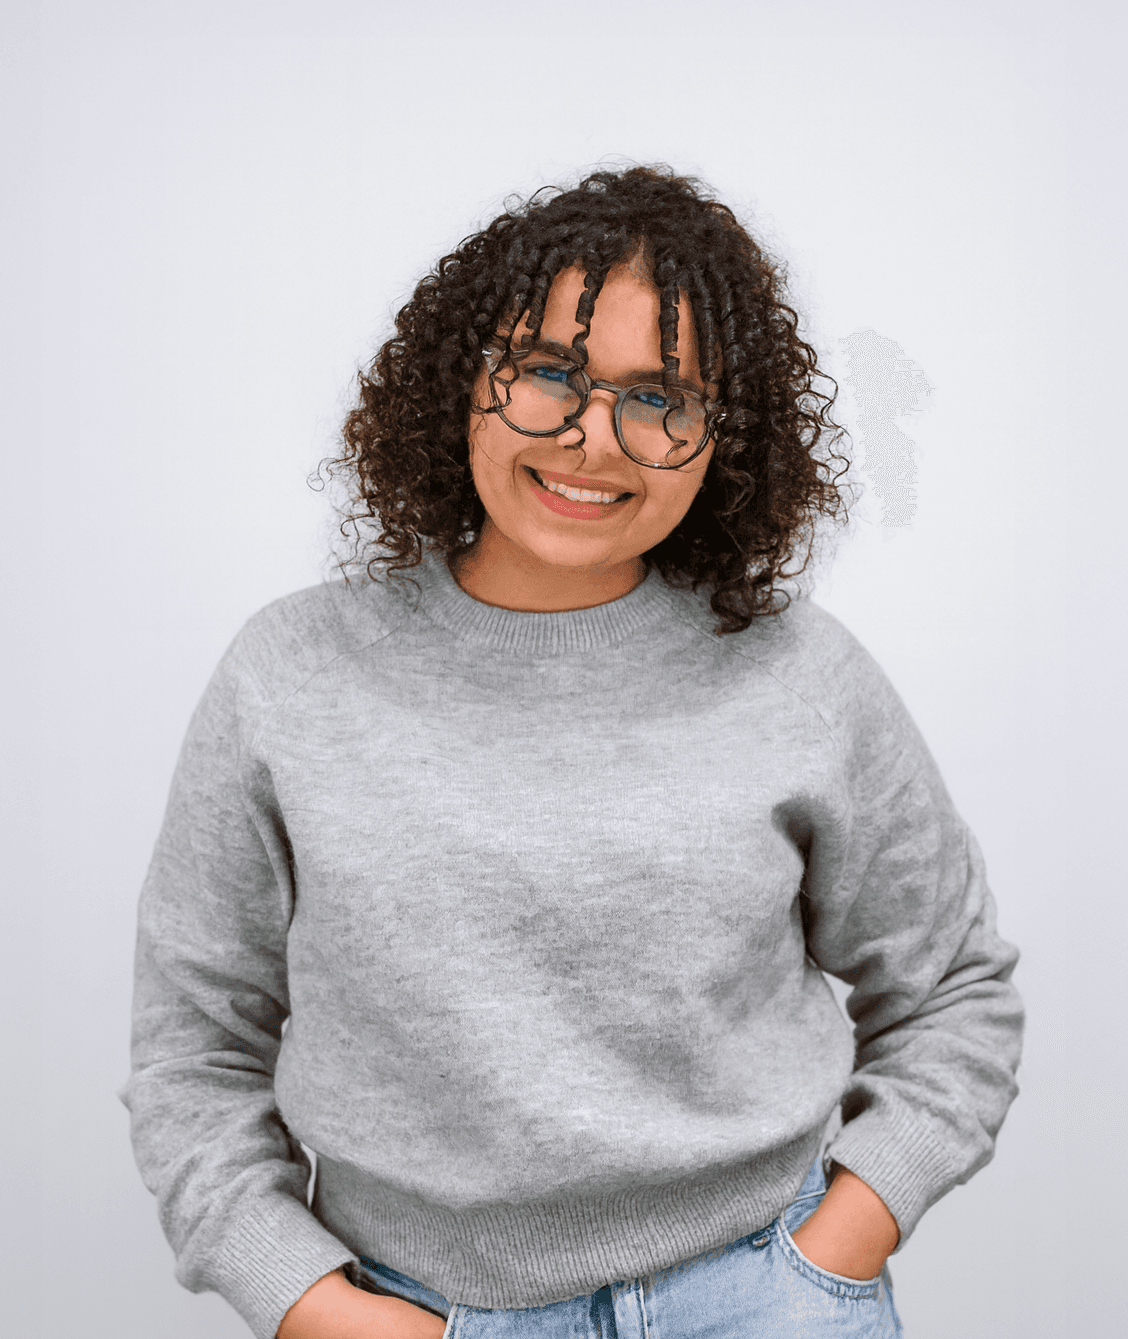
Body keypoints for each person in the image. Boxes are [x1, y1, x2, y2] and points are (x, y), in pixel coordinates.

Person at [120, 166, 1024, 1339]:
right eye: (548, 371)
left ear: (720, 439)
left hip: (763, 1300)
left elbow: (954, 988)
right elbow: (194, 1050)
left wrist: (833, 1251)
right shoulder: (288, 674)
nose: (594, 438)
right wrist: (311, 1304)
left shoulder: (804, 676)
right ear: (464, 379)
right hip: (410, 1311)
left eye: (662, 398)